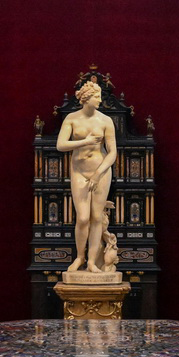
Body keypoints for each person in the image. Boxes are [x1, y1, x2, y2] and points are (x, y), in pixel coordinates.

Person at [56, 79, 117, 273]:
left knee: (96, 217)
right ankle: (79, 257)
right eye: (97, 96)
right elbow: (61, 145)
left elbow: (112, 153)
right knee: (82, 218)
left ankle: (91, 262)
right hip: (79, 171)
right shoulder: (72, 119)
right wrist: (86, 141)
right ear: (86, 98)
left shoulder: (106, 121)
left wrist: (98, 174)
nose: (99, 99)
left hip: (101, 171)